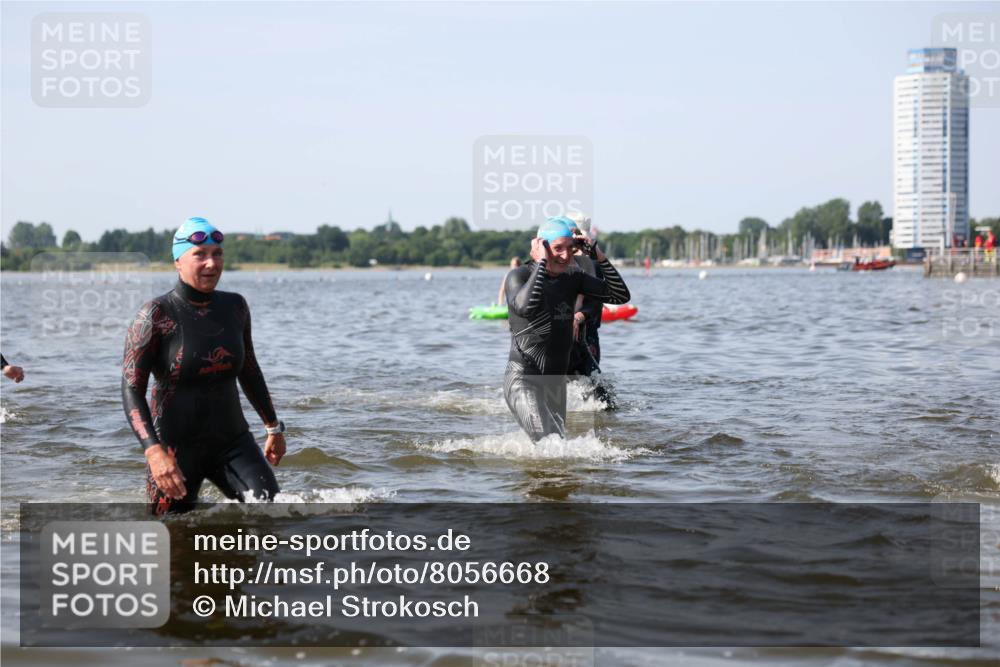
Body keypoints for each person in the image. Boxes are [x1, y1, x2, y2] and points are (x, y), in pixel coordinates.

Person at [122, 217, 287, 515]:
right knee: (168, 534)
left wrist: (273, 428)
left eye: (217, 253)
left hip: (233, 443)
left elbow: (249, 369)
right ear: (178, 261)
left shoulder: (235, 307)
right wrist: (154, 452)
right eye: (200, 254)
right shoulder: (155, 315)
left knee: (273, 516)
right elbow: (132, 389)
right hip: (175, 452)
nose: (211, 263)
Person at [502, 218, 630, 441]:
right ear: (541, 247)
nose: (566, 255)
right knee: (548, 445)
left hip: (555, 384)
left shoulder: (573, 278)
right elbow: (524, 307)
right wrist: (542, 263)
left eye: (570, 248)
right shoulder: (519, 276)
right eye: (558, 248)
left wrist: (598, 256)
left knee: (557, 447)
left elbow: (620, 295)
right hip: (524, 380)